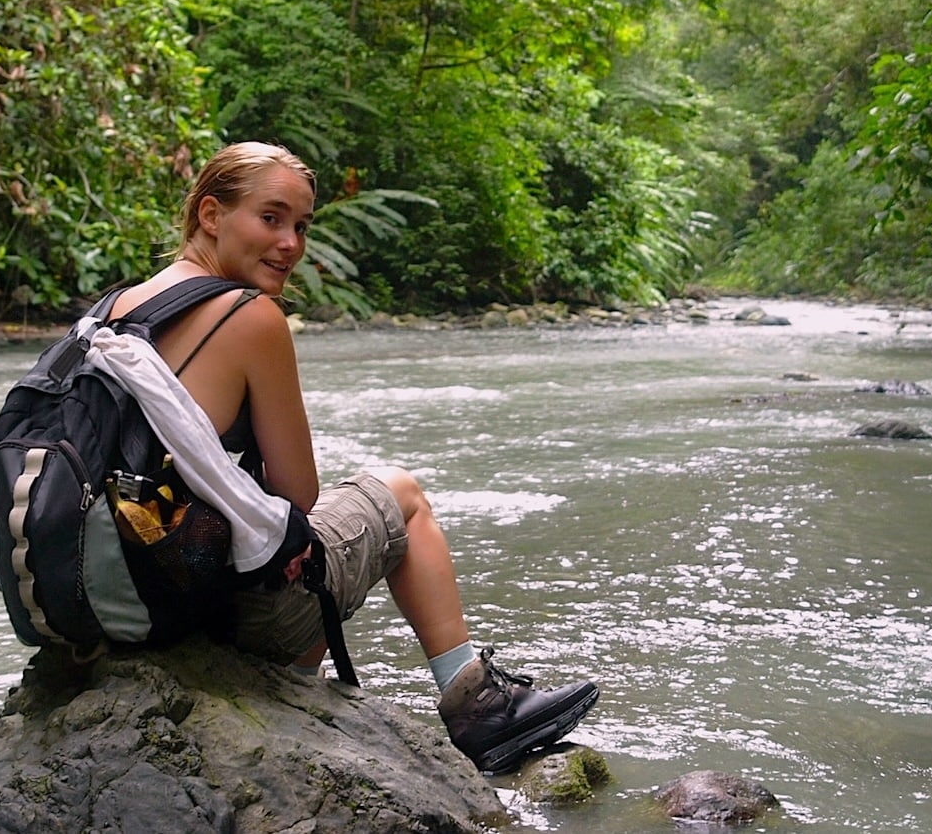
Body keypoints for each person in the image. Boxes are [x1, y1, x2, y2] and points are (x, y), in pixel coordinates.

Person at [106, 141, 598, 773]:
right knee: (402, 496)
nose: (290, 243)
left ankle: (302, 703)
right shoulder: (250, 316)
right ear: (209, 215)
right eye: (271, 218)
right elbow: (298, 497)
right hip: (220, 615)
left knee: (289, 540)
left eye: (302, 226)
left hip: (132, 607)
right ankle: (477, 704)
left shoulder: (117, 310)